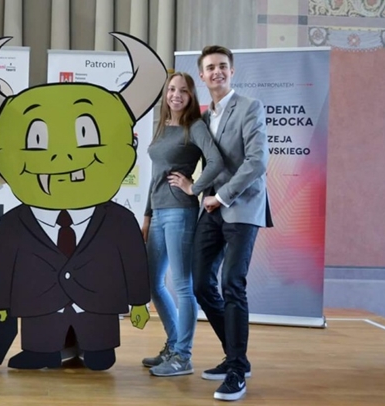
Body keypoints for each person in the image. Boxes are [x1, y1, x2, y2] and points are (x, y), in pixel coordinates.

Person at [193, 45, 272, 401]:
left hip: (241, 206)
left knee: (232, 284)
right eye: (210, 67)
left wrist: (222, 196)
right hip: (211, 208)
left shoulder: (250, 107)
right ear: (202, 75)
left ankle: (237, 371)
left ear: (232, 70)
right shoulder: (202, 117)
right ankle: (236, 355)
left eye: (222, 66)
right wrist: (195, 189)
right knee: (200, 283)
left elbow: (257, 162)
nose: (217, 72)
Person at [141, 72, 225, 377]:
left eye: (183, 91)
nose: (176, 95)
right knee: (152, 283)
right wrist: (147, 215)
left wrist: (194, 187)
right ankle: (173, 344)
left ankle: (183, 356)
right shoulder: (163, 126)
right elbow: (156, 175)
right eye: (172, 89)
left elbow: (216, 161)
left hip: (180, 213)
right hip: (159, 213)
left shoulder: (195, 127)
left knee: (182, 286)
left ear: (191, 96)